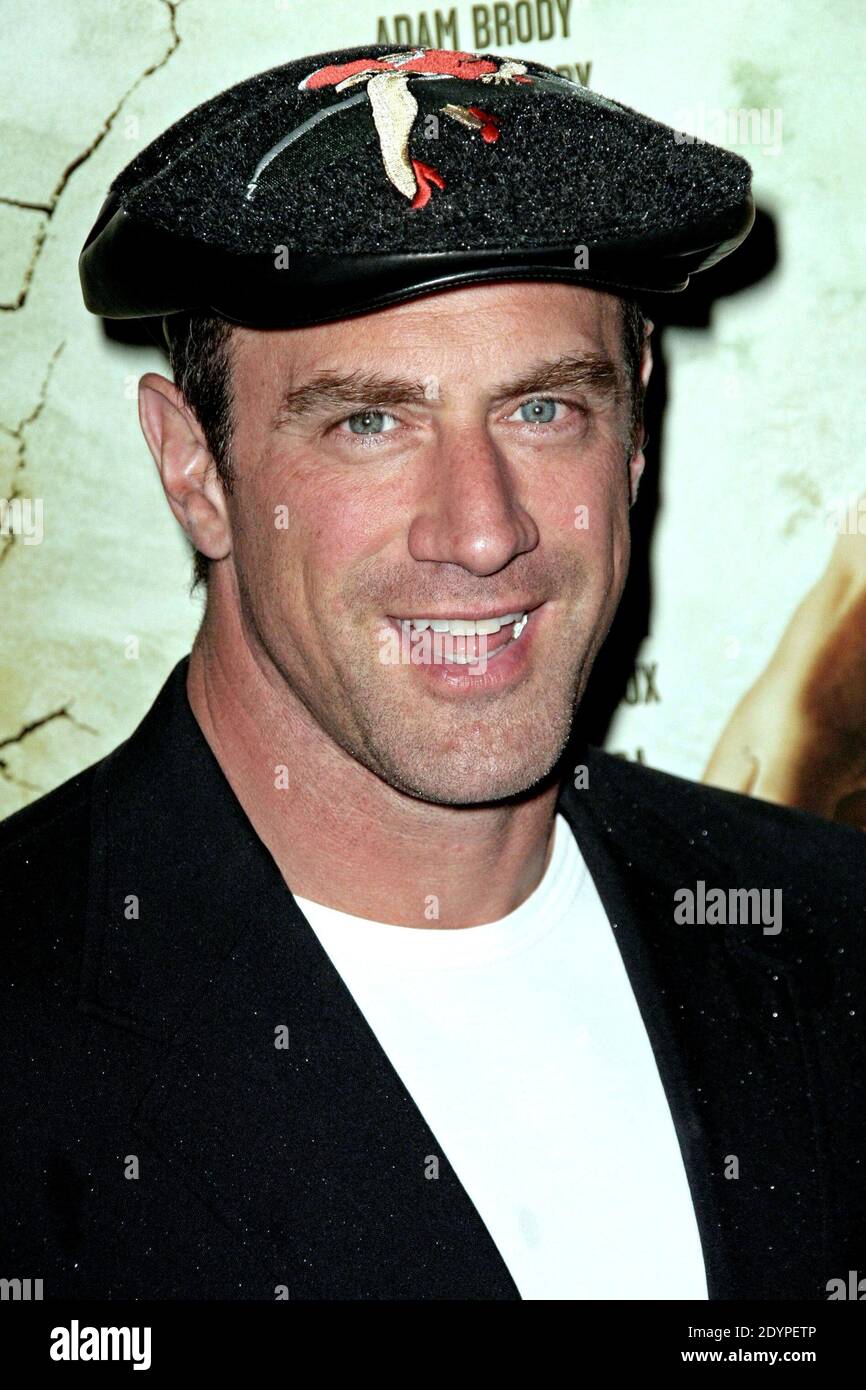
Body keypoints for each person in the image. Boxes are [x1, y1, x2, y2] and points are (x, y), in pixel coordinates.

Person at [1, 43, 864, 1302]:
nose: (480, 530)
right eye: (370, 422)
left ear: (634, 428)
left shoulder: (829, 928)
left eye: (541, 410)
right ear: (194, 471)